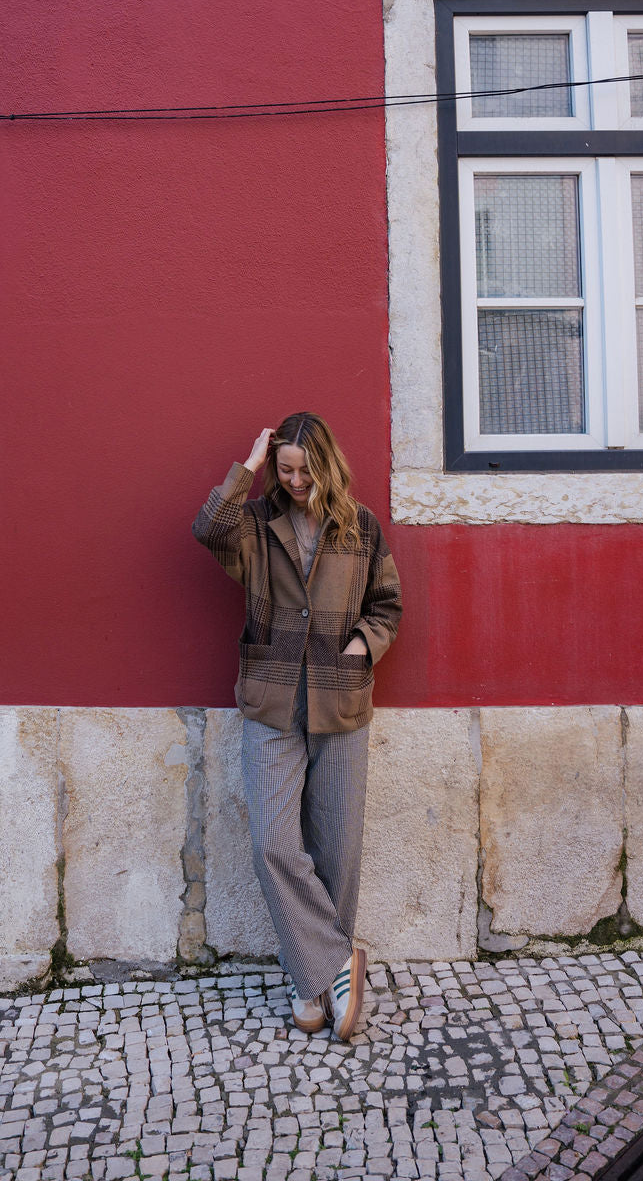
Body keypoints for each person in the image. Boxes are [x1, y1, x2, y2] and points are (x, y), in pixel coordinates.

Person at [193, 412, 402, 1040]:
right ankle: (331, 963)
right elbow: (208, 529)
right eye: (285, 470)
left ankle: (311, 980)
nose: (296, 480)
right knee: (273, 842)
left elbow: (388, 605)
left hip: (341, 698)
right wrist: (249, 466)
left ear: (328, 465)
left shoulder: (361, 527)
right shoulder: (256, 524)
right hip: (272, 699)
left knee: (337, 847)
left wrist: (362, 646)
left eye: (306, 470)